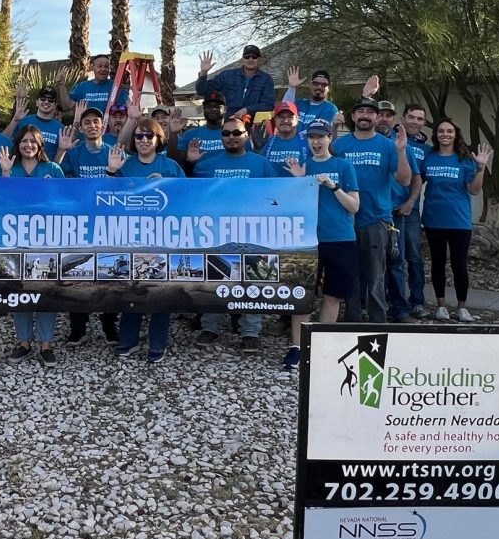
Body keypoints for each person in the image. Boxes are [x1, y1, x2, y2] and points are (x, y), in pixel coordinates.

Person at [187, 118, 280, 352]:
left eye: (236, 133)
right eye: (226, 133)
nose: (231, 137)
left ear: (245, 134)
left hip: (254, 231)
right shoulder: (207, 163)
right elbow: (188, 189)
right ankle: (211, 326)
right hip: (218, 232)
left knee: (254, 279)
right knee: (215, 276)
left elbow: (277, 193)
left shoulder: (261, 164)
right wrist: (190, 163)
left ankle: (251, 331)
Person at [279, 120, 359, 378]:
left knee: (333, 295)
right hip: (307, 240)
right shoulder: (303, 166)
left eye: (321, 137)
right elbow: (288, 204)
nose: (316, 141)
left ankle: (322, 345)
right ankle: (297, 347)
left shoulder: (343, 166)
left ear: (330, 138)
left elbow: (354, 206)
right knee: (301, 294)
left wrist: (333, 186)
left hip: (340, 238)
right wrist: (300, 182)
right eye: (312, 137)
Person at [106, 116, 184, 363]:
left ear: (158, 139)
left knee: (161, 292)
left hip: (163, 239)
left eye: (148, 136)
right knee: (133, 291)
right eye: (138, 136)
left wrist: (166, 186)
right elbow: (104, 198)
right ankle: (128, 340)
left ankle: (158, 343)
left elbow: (189, 198)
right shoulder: (125, 165)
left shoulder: (171, 166)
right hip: (131, 239)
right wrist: (111, 170)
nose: (143, 140)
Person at [331, 97, 411, 323]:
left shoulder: (388, 146)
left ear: (377, 117)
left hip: (376, 219)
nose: (365, 115)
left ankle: (379, 320)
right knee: (351, 274)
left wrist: (402, 152)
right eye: (360, 111)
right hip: (344, 220)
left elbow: (404, 180)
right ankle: (353, 317)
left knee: (376, 276)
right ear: (353, 117)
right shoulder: (340, 146)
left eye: (370, 112)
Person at [0, 126, 65, 367]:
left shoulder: (52, 169)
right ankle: (24, 342)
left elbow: (66, 204)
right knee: (20, 290)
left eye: (33, 141)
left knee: (45, 291)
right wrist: (4, 174)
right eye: (24, 141)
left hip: (46, 241)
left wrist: (52, 191)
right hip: (15, 240)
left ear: (40, 145)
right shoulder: (9, 168)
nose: (28, 145)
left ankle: (46, 344)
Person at [418, 118, 491, 322]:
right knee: (438, 264)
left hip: (458, 221)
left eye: (449, 131)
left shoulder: (465, 160)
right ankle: (441, 306)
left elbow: (474, 190)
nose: (445, 134)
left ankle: (462, 307)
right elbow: (416, 181)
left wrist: (481, 168)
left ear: (456, 134)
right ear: (436, 135)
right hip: (434, 220)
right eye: (441, 131)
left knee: (459, 264)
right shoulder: (429, 158)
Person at [59, 108, 121, 346]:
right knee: (77, 274)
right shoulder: (74, 154)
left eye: (96, 121)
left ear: (103, 126)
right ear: (81, 127)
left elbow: (121, 187)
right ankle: (78, 327)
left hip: (108, 223)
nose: (92, 126)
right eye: (87, 122)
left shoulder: (113, 152)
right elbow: (62, 182)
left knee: (109, 275)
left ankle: (108, 324)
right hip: (79, 223)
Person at [376, 101, 414, 322]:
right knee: (371, 264)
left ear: (394, 119)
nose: (383, 118)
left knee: (396, 262)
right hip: (370, 213)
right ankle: (370, 306)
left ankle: (399, 307)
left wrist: (410, 201)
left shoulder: (400, 144)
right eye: (379, 114)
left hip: (395, 213)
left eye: (388, 115)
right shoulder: (365, 141)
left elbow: (414, 177)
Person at [397, 103, 431, 317]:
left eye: (419, 119)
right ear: (403, 118)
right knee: (392, 258)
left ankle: (417, 301)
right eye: (411, 117)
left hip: (410, 209)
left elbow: (421, 178)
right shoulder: (392, 139)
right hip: (386, 206)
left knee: (414, 257)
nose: (415, 122)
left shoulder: (426, 150)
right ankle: (394, 300)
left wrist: (411, 201)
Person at [194, 44, 276, 121]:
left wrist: (246, 110)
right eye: (247, 57)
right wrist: (203, 72)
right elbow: (202, 91)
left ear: (259, 59)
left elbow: (268, 105)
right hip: (227, 124)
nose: (250, 59)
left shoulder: (266, 79)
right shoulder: (226, 75)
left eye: (254, 57)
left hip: (252, 125)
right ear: (242, 59)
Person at [9, 85, 65, 157]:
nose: (46, 101)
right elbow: (5, 140)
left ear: (54, 105)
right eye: (43, 98)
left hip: (48, 167)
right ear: (37, 102)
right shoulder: (23, 121)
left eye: (51, 100)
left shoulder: (61, 129)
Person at [59, 54, 128, 111]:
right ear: (93, 68)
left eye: (106, 67)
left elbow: (123, 110)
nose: (103, 69)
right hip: (86, 127)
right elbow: (67, 106)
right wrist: (61, 85)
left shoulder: (116, 87)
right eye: (100, 66)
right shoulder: (82, 87)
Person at [259, 101, 309, 174]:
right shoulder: (268, 142)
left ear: (297, 119)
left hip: (298, 185)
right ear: (274, 120)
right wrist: (257, 149)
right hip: (272, 185)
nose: (285, 121)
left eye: (290, 117)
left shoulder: (307, 142)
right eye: (280, 117)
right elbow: (258, 167)